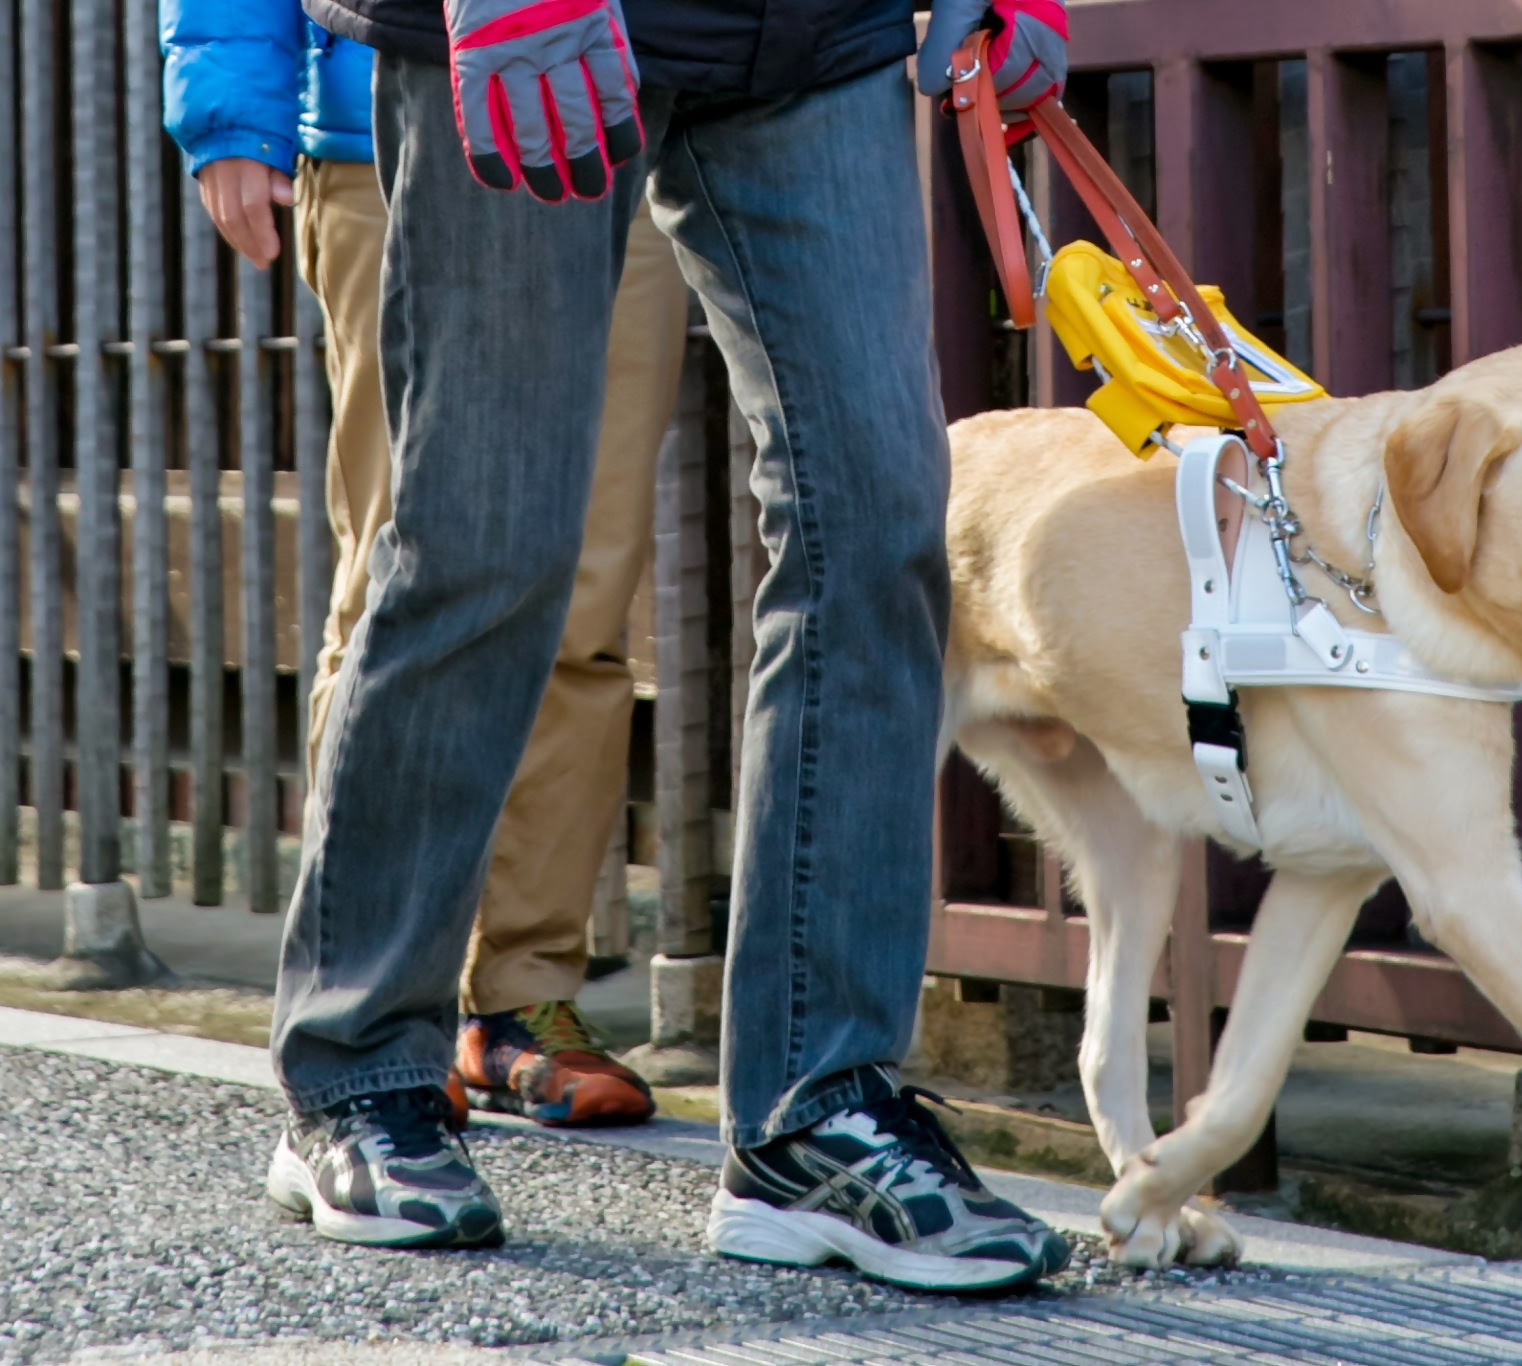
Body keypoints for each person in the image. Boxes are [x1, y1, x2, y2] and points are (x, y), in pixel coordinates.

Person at [240, 0, 1076, 1289]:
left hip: (814, 37)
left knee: (877, 523)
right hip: (534, 22)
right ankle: (358, 1066)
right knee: (485, 536)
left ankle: (815, 1111)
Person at [160, 0, 687, 1133]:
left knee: (586, 585)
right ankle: (380, 1009)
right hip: (375, 127)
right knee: (406, 576)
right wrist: (229, 109)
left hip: (609, 116)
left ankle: (523, 1001)